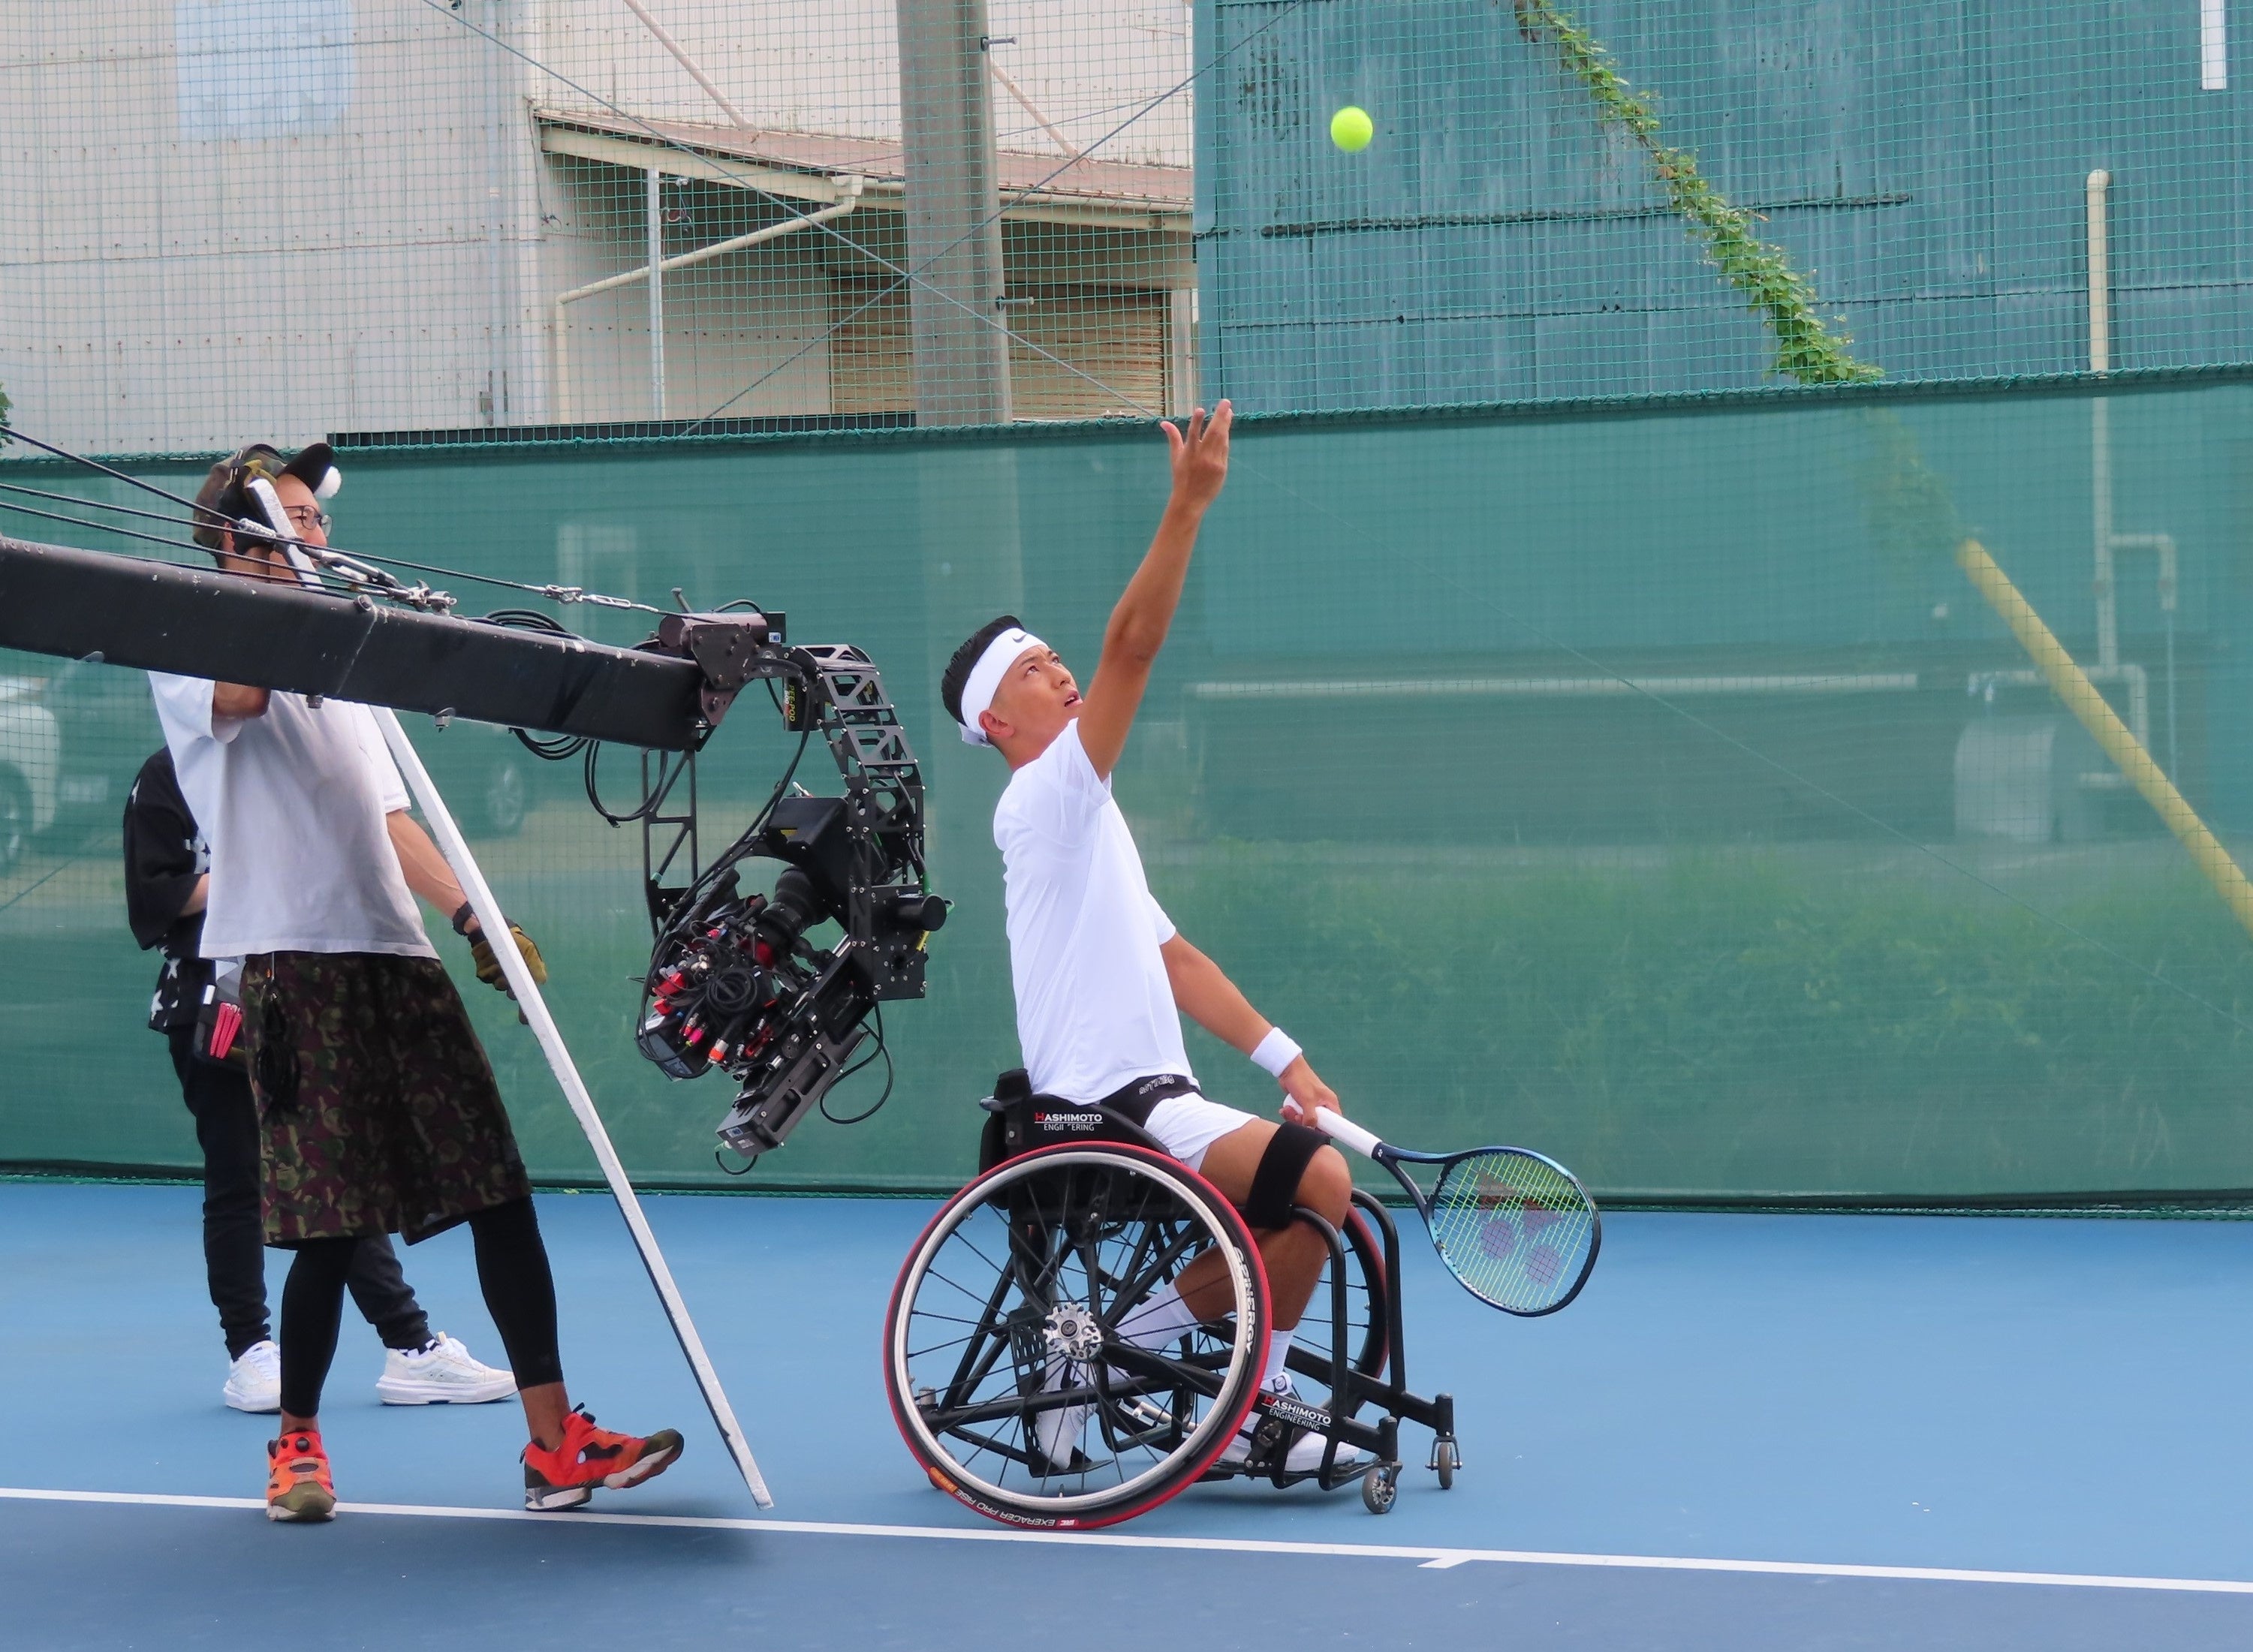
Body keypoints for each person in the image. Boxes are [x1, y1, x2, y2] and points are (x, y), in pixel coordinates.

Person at [152, 441, 682, 1523]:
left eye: (318, 518)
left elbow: (387, 817)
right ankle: (297, 1445)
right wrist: (298, 590)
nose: (317, 533)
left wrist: (472, 914)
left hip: (397, 955)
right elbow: (242, 692)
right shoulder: (190, 644)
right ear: (239, 536)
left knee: (497, 1191)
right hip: (294, 960)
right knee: (332, 1224)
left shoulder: (348, 667)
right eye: (292, 517)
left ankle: (554, 1443)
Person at [939, 402, 1365, 1475]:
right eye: (1034, 668)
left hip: (1154, 1095)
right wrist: (1187, 507)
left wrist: (1287, 1060)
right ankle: (1237, 1398)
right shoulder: (1044, 797)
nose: (1061, 671)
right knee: (1321, 1184)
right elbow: (1134, 644)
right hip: (1107, 1104)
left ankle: (1121, 1350)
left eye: (1055, 657)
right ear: (996, 722)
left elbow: (1176, 960)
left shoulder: (1087, 815)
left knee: (1309, 1204)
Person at [125, 743, 516, 1413]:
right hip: (212, 1008)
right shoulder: (168, 773)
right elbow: (156, 894)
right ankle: (251, 1351)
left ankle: (410, 1346)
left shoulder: (296, 760)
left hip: (306, 998)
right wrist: (258, 867)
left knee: (340, 1178)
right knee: (238, 1177)